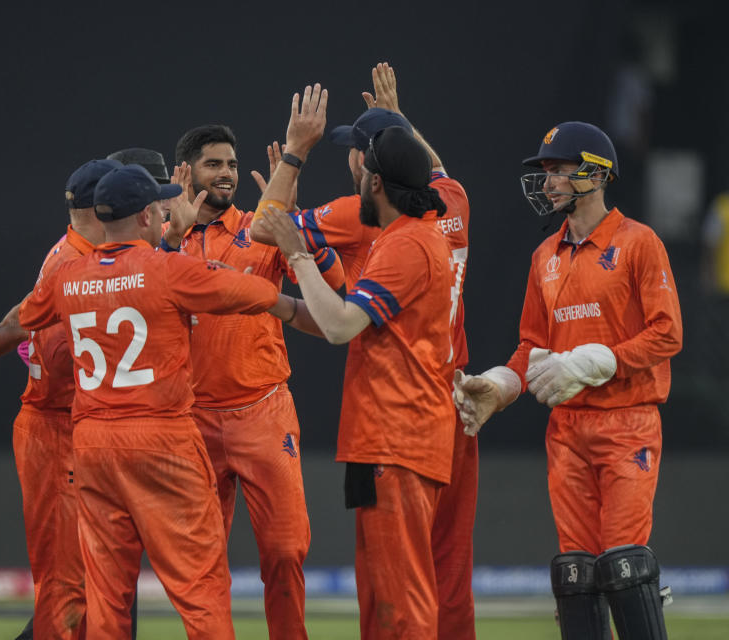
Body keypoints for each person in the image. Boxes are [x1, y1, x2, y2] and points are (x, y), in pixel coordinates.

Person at [18, 164, 294, 639]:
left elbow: (30, 313)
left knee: (107, 593)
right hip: (161, 438)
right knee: (201, 587)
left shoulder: (68, 275)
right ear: (147, 215)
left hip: (93, 443)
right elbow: (257, 292)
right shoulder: (169, 269)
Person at [251, 64, 477, 639]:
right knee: (390, 595)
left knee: (401, 601)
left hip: (397, 432)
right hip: (407, 424)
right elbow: (438, 171)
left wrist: (296, 165)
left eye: (360, 155)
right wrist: (279, 304)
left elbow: (339, 323)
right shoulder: (446, 207)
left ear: (372, 177)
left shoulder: (400, 240)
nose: (353, 165)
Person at [453, 121, 682, 639]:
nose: (549, 180)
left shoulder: (638, 243)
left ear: (597, 175)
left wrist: (592, 363)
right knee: (576, 575)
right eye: (546, 171)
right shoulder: (544, 258)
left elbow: (667, 335)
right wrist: (500, 388)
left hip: (628, 423)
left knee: (625, 569)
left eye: (560, 169)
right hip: (567, 433)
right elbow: (531, 347)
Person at [164, 124, 344, 639]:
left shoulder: (259, 229)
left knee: (286, 549)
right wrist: (170, 239)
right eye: (213, 164)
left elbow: (335, 288)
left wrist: (296, 229)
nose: (225, 174)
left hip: (263, 412)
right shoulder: (161, 239)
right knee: (201, 563)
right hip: (191, 419)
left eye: (231, 165)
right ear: (186, 172)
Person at [11, 158, 121, 639]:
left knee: (78, 582)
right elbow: (57, 356)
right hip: (57, 430)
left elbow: (31, 340)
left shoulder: (72, 254)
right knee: (65, 583)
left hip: (61, 426)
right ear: (105, 208)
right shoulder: (76, 264)